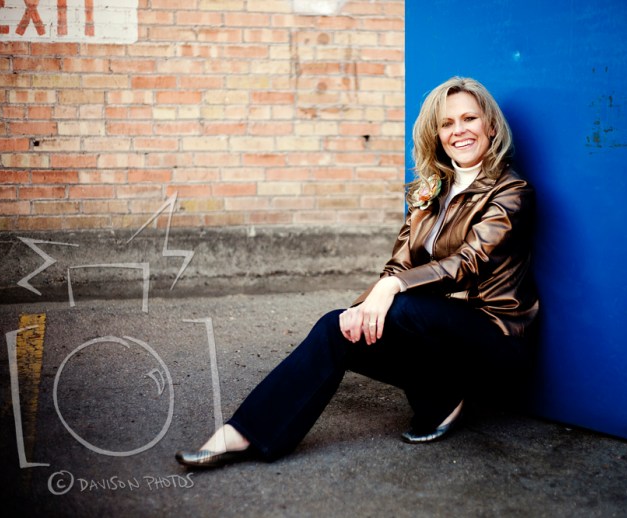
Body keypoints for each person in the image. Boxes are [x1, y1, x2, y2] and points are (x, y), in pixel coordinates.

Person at [175, 76, 539, 468]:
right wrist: (362, 310)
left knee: (399, 308)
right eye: (447, 123)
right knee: (338, 327)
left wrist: (391, 288)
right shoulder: (432, 189)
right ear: (437, 134)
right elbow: (399, 264)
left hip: (495, 338)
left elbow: (468, 263)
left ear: (491, 126)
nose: (459, 131)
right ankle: (245, 433)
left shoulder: (511, 191)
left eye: (469, 118)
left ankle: (441, 397)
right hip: (437, 335)